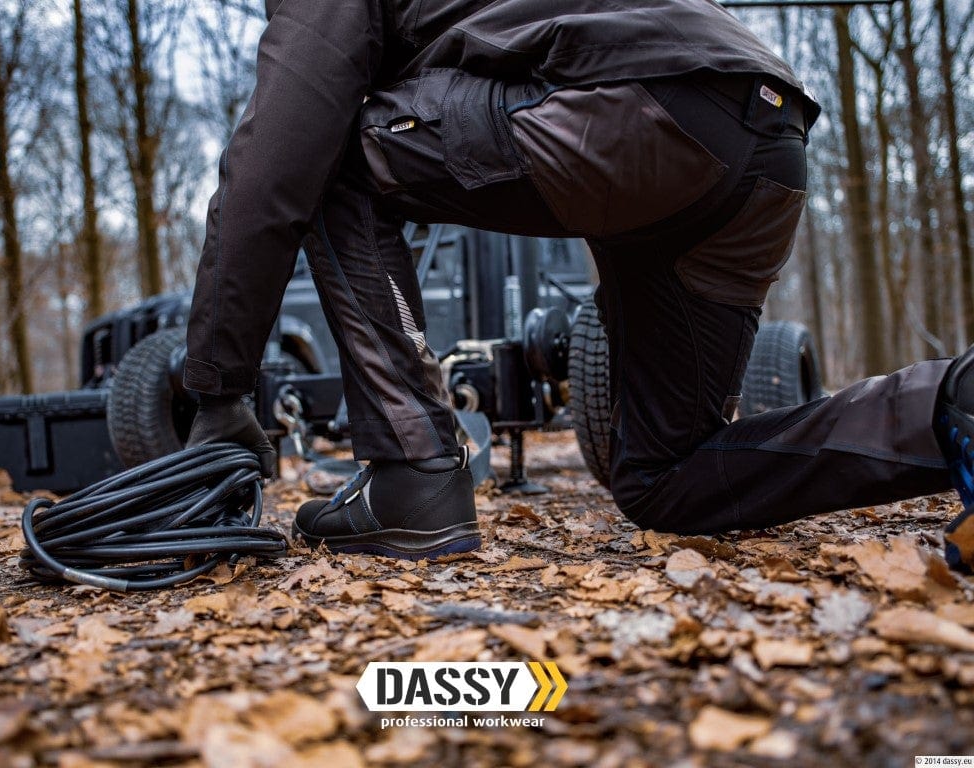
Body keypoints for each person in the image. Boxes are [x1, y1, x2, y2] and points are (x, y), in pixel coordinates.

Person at [183, 0, 973, 572]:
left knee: (327, 156)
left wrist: (217, 391)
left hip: (640, 108)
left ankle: (414, 474)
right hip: (766, 136)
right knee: (667, 479)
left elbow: (272, 168)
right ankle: (946, 408)